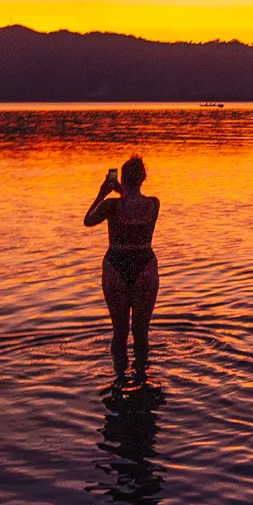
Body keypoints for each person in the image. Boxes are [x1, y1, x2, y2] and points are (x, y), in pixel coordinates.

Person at [84, 155, 160, 382]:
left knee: (119, 333)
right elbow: (133, 200)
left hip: (116, 266)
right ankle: (142, 381)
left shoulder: (110, 205)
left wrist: (102, 193)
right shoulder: (153, 204)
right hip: (145, 265)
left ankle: (118, 383)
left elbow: (88, 220)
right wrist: (122, 191)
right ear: (143, 178)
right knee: (141, 334)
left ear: (122, 179)